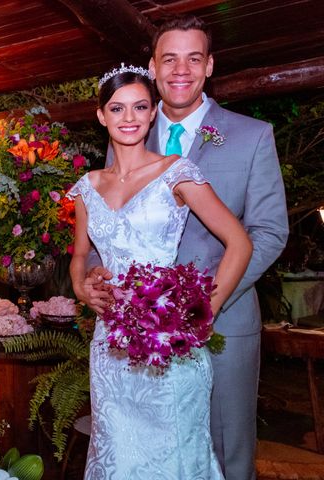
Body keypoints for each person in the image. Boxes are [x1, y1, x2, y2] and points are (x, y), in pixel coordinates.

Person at [81, 16, 289, 480]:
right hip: (132, 335)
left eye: (193, 58)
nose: (181, 69)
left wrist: (201, 308)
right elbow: (108, 223)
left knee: (224, 457)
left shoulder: (252, 135)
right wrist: (95, 275)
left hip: (224, 324)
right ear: (152, 68)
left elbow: (269, 232)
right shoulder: (129, 128)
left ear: (209, 65)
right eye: (169, 58)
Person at [69, 65, 252, 478]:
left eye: (139, 107)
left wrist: (202, 314)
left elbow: (239, 243)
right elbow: (80, 256)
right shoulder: (87, 187)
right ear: (102, 116)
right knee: (118, 456)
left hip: (171, 347)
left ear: (153, 113)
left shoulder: (178, 172)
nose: (129, 117)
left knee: (176, 459)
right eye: (117, 108)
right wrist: (81, 288)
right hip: (110, 349)